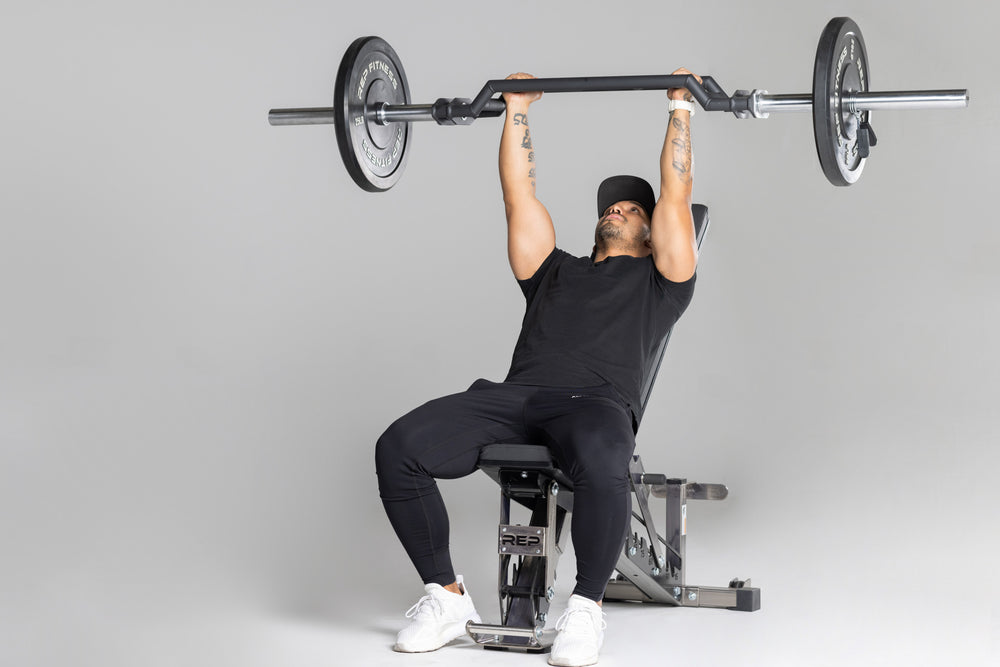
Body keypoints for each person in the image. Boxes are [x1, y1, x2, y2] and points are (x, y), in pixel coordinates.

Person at [375, 68, 701, 667]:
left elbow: (675, 196)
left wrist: (681, 107)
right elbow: (518, 195)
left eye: (632, 209)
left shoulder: (662, 283)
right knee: (400, 446)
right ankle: (445, 597)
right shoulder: (553, 269)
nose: (618, 210)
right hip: (514, 399)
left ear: (653, 232)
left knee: (606, 463)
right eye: (612, 206)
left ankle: (585, 609)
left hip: (594, 406)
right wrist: (518, 109)